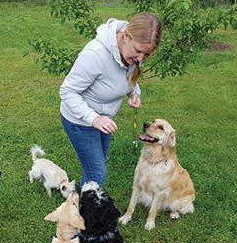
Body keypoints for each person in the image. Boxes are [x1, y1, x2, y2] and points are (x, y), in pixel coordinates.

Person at [60, 12, 162, 187]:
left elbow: (131, 77)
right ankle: (82, 211)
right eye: (138, 52)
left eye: (146, 55)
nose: (140, 59)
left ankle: (79, 198)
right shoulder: (95, 55)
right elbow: (68, 91)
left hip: (105, 120)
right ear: (127, 36)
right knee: (97, 172)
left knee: (95, 166)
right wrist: (94, 118)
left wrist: (134, 93)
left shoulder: (134, 53)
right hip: (80, 121)